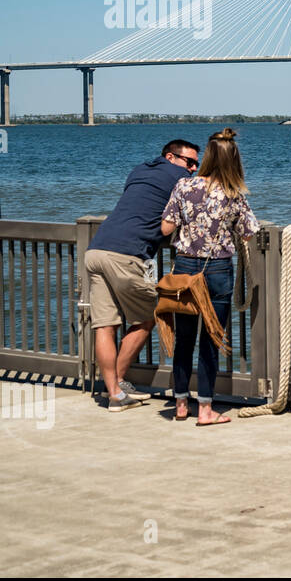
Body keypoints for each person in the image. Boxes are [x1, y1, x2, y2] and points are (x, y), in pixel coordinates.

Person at [85, 139, 200, 411]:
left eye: (197, 164)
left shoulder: (138, 170)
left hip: (96, 250)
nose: (193, 169)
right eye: (190, 162)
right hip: (127, 255)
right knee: (150, 316)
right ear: (171, 157)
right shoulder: (180, 178)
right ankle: (119, 382)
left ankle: (114, 393)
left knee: (105, 325)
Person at [160, 128, 260, 426]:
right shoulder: (234, 193)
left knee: (184, 338)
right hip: (216, 270)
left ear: (207, 155)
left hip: (184, 270)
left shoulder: (183, 186)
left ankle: (180, 403)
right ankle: (205, 410)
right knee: (211, 339)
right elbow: (249, 232)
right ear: (234, 160)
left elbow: (166, 229)